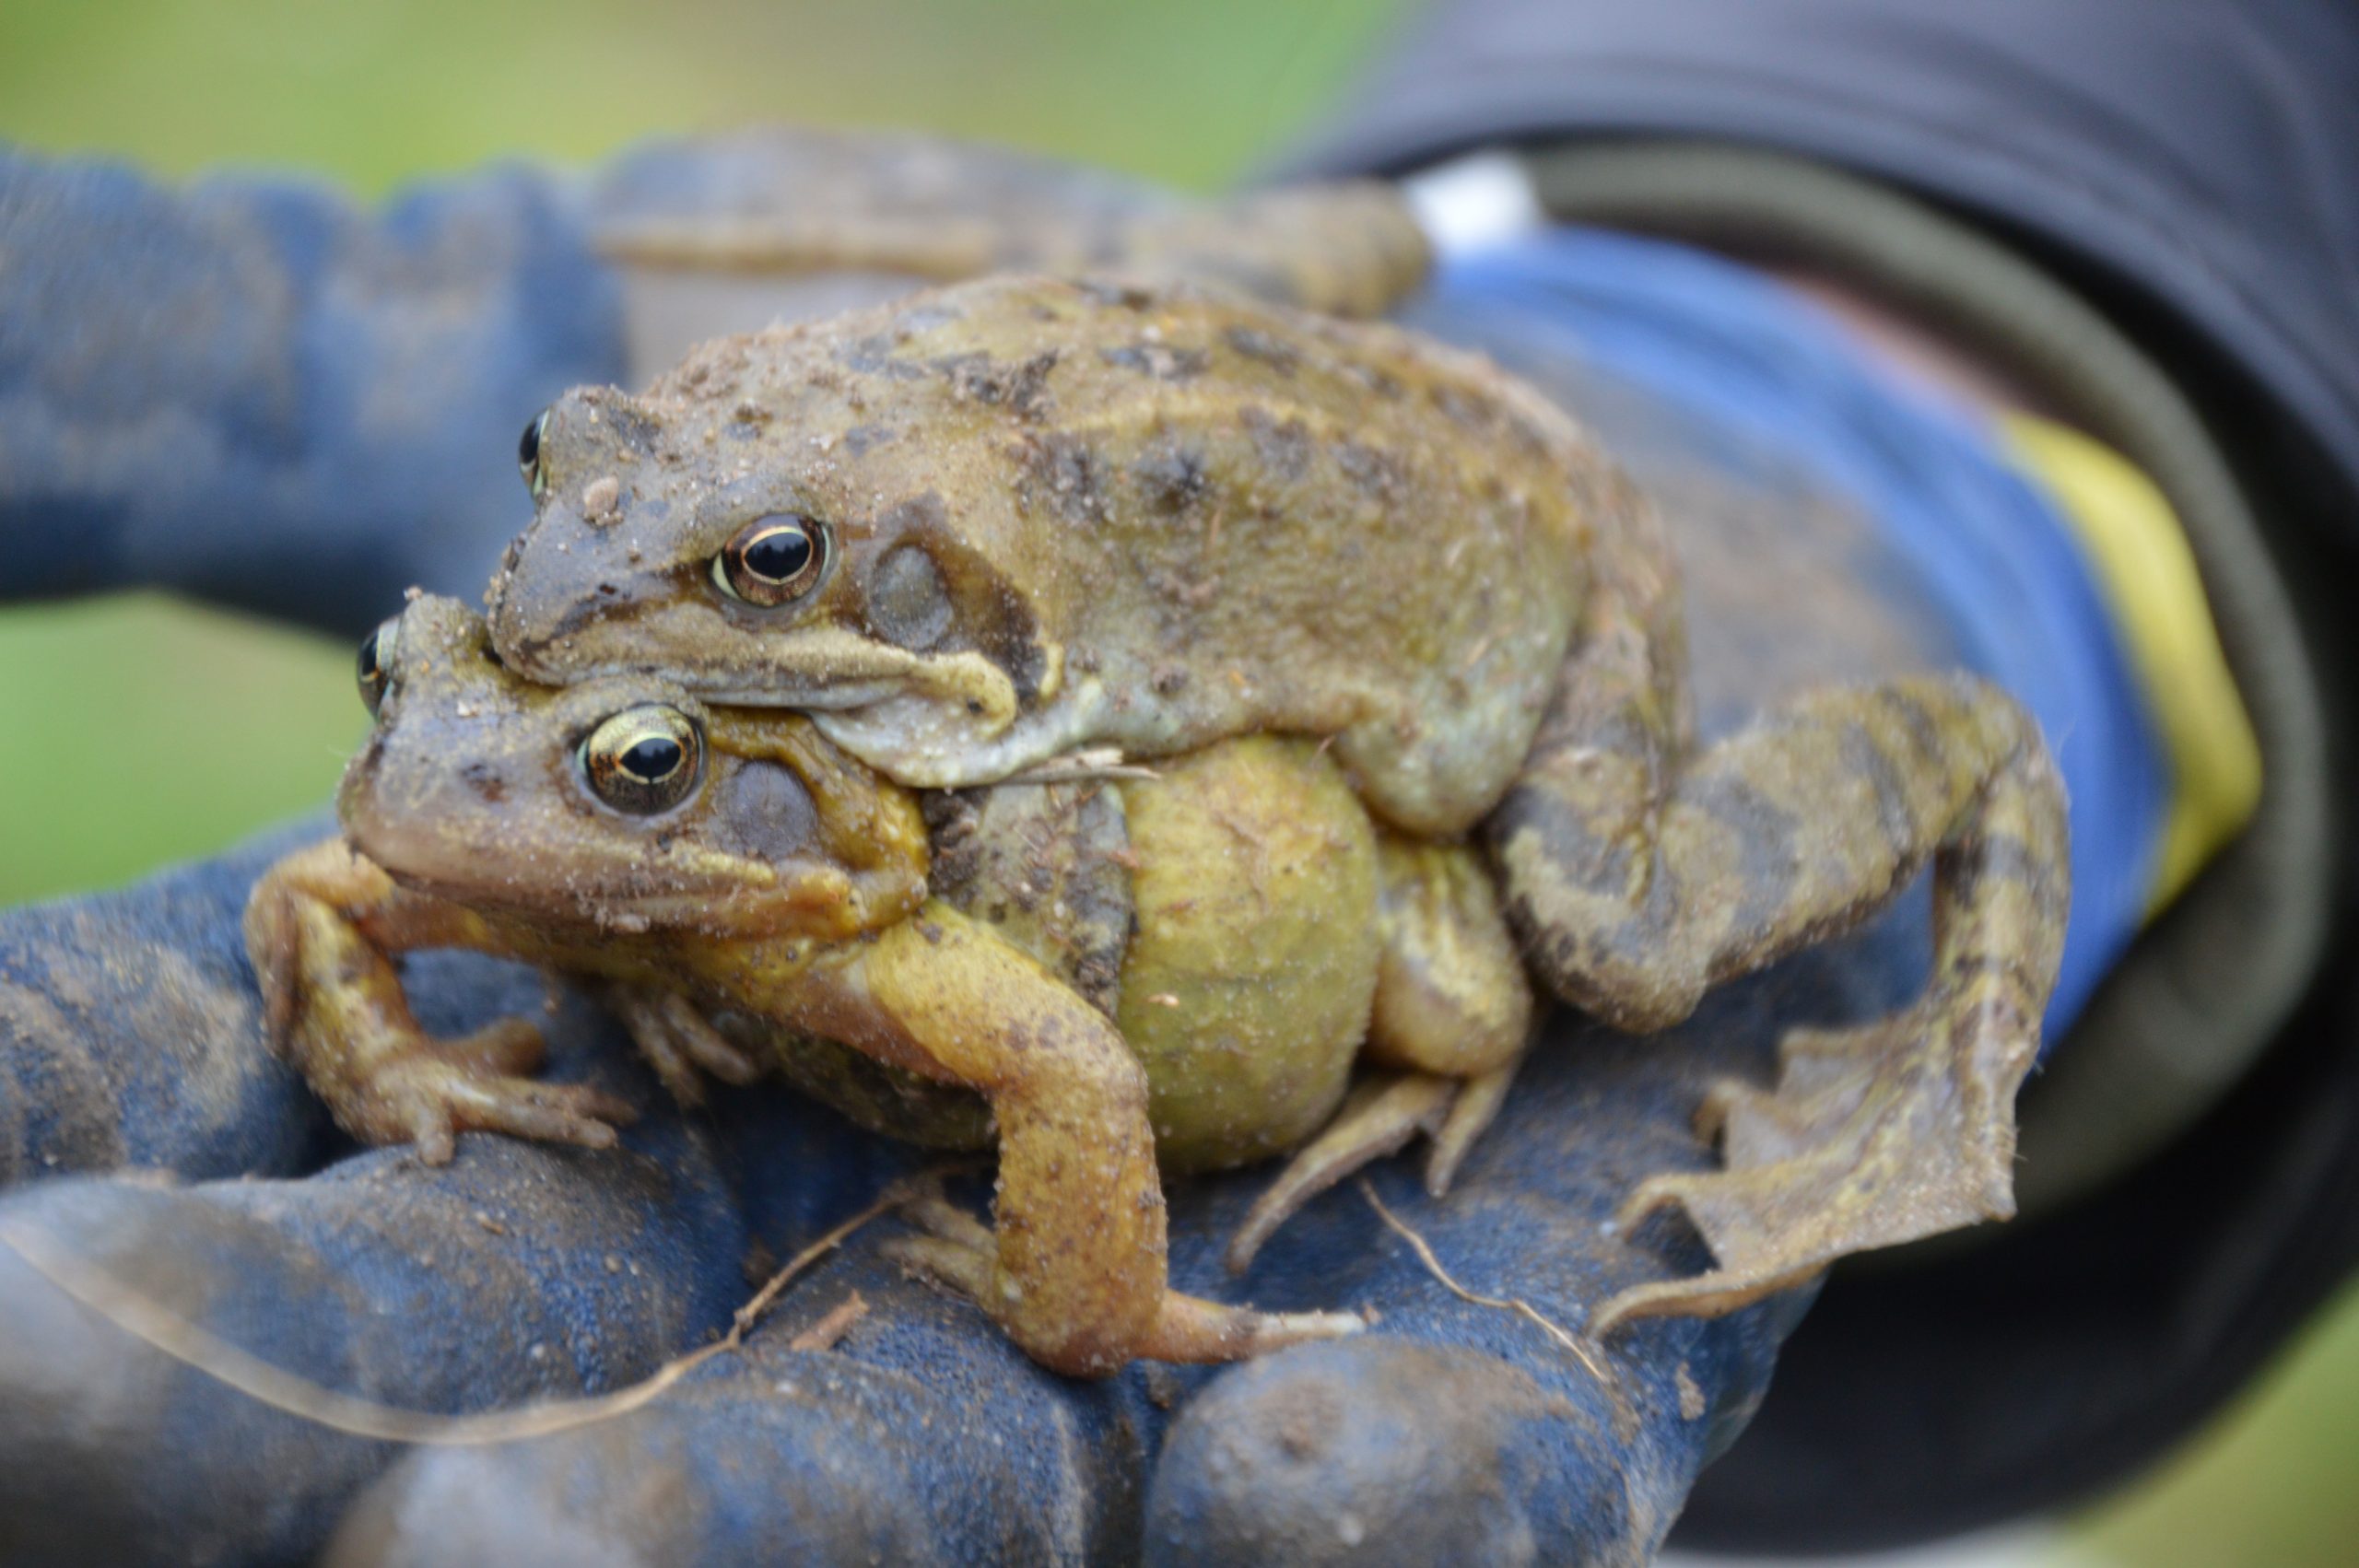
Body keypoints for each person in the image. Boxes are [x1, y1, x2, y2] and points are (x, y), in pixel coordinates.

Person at [0, 0, 2350, 1561]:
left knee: (1606, 930)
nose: (575, 593)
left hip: (1523, 586)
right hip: (1262, 394)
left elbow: (1061, 994)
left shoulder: (1021, 698)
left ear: (893, 592)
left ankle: (1971, 797)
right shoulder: (745, 594)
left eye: (768, 573)